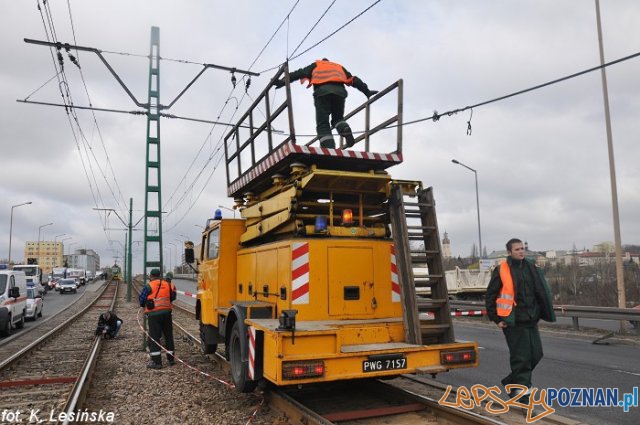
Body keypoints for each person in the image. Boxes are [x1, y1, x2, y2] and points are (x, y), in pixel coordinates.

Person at [485, 238, 556, 402]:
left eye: (522, 248)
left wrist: (540, 312)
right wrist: (496, 319)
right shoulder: (502, 270)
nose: (521, 251)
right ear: (509, 252)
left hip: (531, 320)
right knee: (521, 359)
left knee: (537, 354)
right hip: (513, 322)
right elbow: (490, 296)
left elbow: (540, 291)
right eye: (517, 249)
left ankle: (512, 381)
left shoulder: (531, 267)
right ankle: (524, 399)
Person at [274, 58, 378, 149]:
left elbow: (298, 73)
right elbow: (353, 80)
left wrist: (282, 81)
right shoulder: (338, 67)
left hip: (322, 93)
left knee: (323, 124)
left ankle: (329, 148)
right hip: (339, 93)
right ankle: (344, 129)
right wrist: (367, 91)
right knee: (338, 119)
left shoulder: (316, 65)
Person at [139, 268, 177, 369]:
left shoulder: (148, 286)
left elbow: (141, 300)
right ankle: (171, 359)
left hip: (154, 315)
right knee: (168, 336)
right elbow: (173, 297)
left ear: (151, 276)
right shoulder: (168, 284)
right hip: (167, 313)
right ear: (160, 275)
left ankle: (157, 362)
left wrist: (148, 303)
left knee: (154, 337)